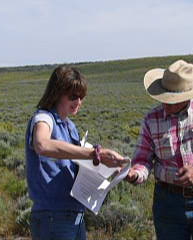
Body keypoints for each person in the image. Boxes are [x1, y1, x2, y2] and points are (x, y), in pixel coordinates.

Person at [126, 60, 193, 240]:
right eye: (163, 97)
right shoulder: (152, 119)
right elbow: (143, 159)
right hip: (168, 203)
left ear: (187, 96)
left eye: (172, 99)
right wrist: (135, 174)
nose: (166, 103)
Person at [25, 65, 127, 240]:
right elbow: (42, 144)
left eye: (81, 97)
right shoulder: (44, 118)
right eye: (73, 96)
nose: (78, 102)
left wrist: (110, 167)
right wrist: (93, 155)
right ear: (57, 93)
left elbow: (78, 161)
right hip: (53, 215)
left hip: (75, 214)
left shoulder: (70, 126)